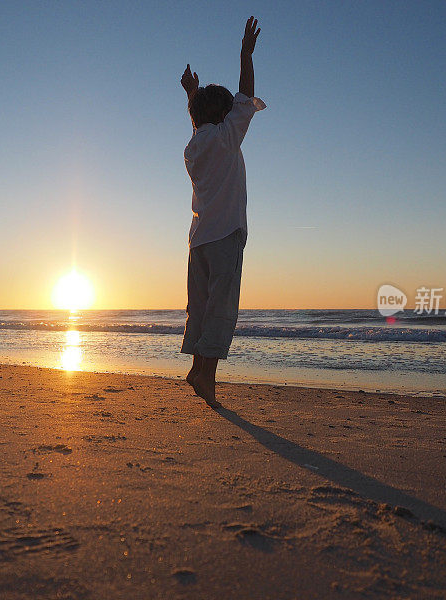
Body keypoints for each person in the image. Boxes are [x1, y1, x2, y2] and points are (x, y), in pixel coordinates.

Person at [179, 16, 266, 406]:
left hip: (198, 242)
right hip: (225, 235)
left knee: (200, 306)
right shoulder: (227, 137)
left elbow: (200, 121)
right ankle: (207, 378)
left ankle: (198, 368)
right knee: (222, 309)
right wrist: (245, 55)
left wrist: (192, 94)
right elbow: (246, 96)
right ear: (223, 115)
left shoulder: (194, 146)